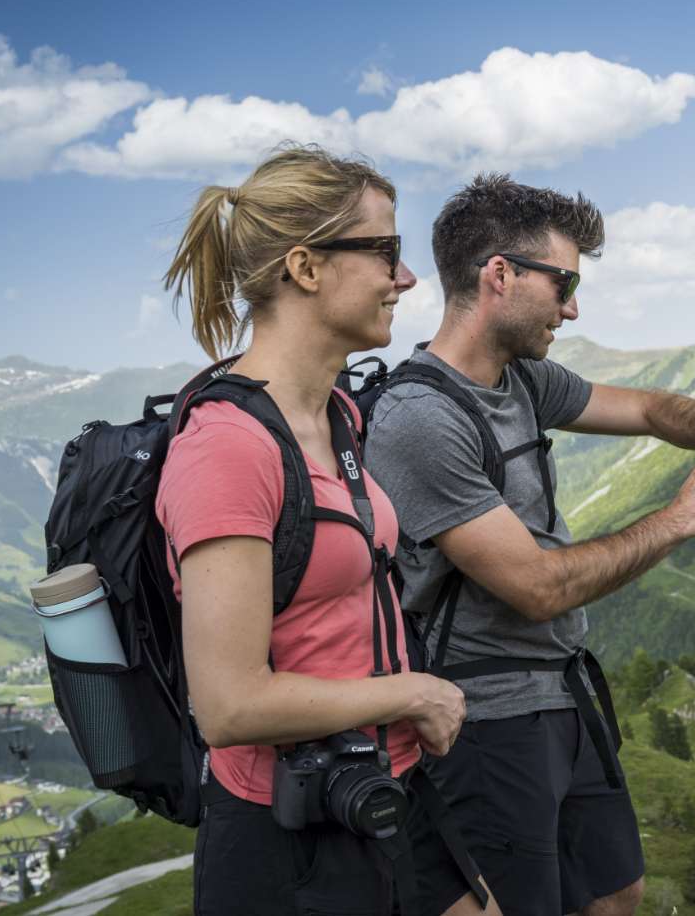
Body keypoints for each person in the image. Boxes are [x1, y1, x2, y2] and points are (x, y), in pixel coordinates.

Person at [363, 174, 695, 916]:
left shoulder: (521, 379)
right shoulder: (419, 419)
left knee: (613, 892)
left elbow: (649, 407)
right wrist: (676, 519)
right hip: (483, 715)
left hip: (560, 691)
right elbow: (537, 587)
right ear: (500, 274)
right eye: (563, 284)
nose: (573, 306)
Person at [156, 146, 493, 914]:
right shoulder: (228, 447)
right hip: (290, 833)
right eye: (385, 251)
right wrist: (411, 692)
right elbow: (230, 705)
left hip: (380, 785)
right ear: (306, 268)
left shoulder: (336, 415)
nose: (406, 278)